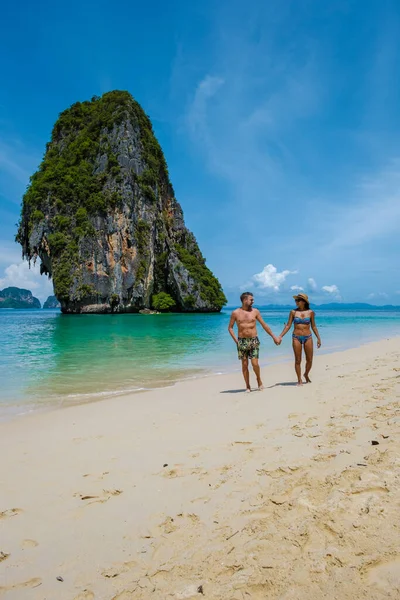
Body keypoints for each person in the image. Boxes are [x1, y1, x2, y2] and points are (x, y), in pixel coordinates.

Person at [228, 292, 280, 393]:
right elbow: (230, 328)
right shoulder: (235, 313)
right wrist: (236, 341)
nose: (253, 301)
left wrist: (274, 337)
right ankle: (247, 386)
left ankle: (259, 379)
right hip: (241, 341)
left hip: (253, 340)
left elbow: (264, 325)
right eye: (251, 299)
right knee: (244, 364)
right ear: (244, 300)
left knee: (255, 363)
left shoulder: (255, 311)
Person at [278, 293, 321, 386]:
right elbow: (288, 325)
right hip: (296, 337)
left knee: (309, 360)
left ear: (303, 302)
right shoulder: (293, 312)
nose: (296, 302)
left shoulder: (310, 312)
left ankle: (306, 374)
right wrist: (280, 336)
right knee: (298, 360)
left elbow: (313, 326)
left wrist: (318, 338)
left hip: (308, 337)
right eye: (296, 300)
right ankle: (299, 380)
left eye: (297, 300)